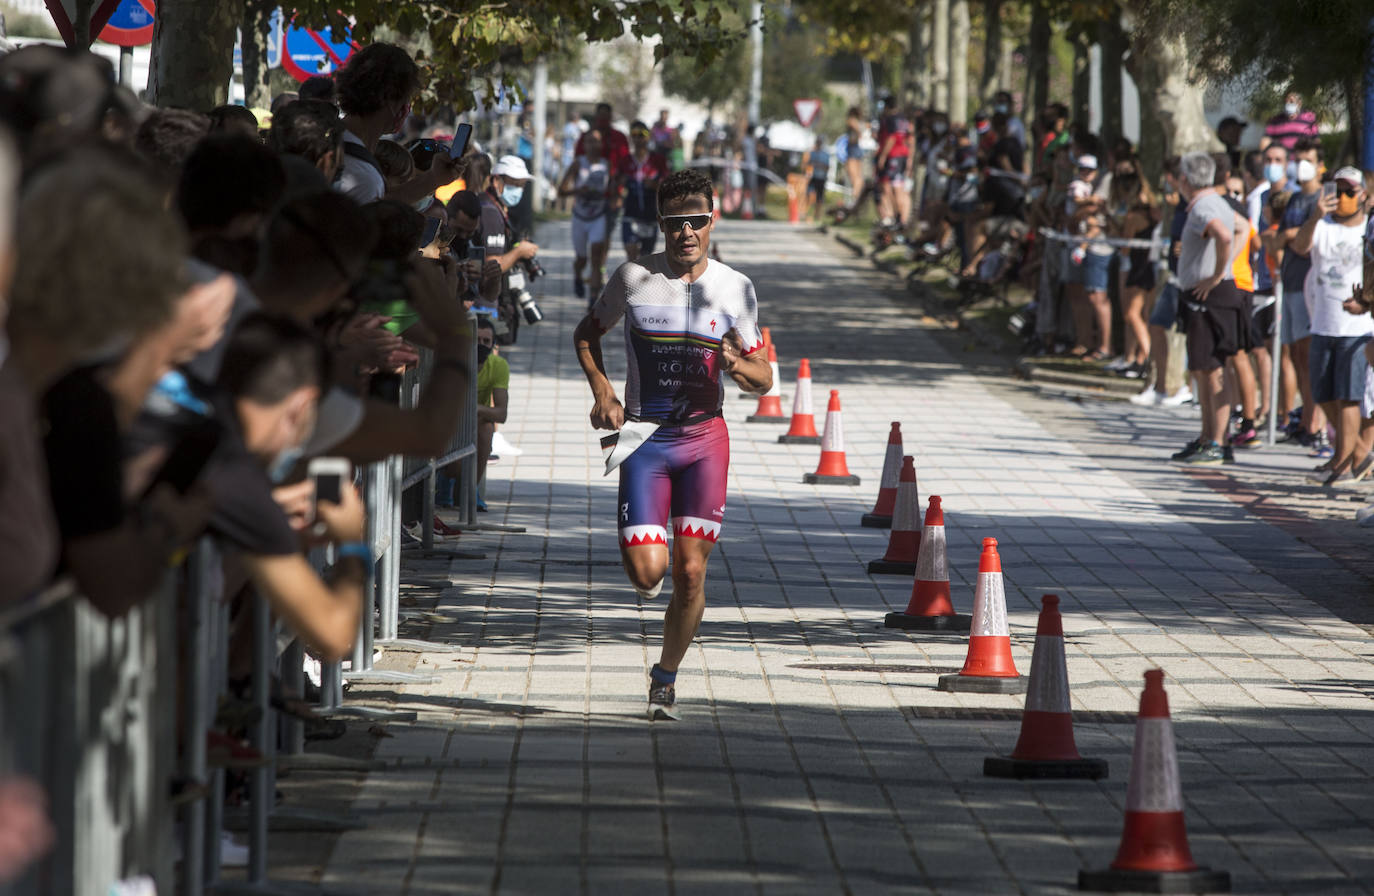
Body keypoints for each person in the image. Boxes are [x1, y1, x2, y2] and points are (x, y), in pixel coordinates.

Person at [571, 168, 772, 721]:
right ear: (660, 224)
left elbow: (765, 377)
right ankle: (662, 599)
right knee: (647, 575)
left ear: (712, 221)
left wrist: (735, 362)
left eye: (697, 222)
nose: (687, 233)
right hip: (644, 438)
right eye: (676, 223)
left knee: (689, 572)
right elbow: (586, 334)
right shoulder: (634, 279)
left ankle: (665, 677)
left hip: (707, 437)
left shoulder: (735, 287)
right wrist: (604, 390)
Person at [1291, 167, 1374, 486]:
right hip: (1323, 322)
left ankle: (1343, 460)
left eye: (1349, 192)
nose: (1342, 198)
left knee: (1349, 396)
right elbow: (1298, 248)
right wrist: (1314, 216)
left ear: (1363, 195)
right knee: (1322, 391)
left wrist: (1366, 302)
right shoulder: (1322, 225)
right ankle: (1355, 454)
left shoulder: (1368, 228)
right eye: (1337, 191)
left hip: (1357, 327)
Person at [1171, 151, 1246, 465]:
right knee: (1202, 369)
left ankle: (1216, 441)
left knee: (1213, 370)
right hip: (1204, 296)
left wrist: (1217, 274)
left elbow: (1226, 234)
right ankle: (1207, 437)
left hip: (1210, 298)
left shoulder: (1204, 206)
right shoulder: (1217, 201)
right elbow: (1243, 228)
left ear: (1184, 180)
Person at [333, 42, 458, 205]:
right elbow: (376, 201)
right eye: (406, 99)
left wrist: (433, 178)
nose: (407, 109)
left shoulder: (335, 141)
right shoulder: (361, 177)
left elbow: (382, 200)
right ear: (390, 100)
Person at [1266, 137, 1328, 451]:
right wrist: (1290, 236)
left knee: (1309, 356)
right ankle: (1302, 421)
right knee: (1297, 357)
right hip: (1288, 283)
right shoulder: (1292, 200)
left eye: (1307, 158)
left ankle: (1315, 425)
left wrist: (1292, 236)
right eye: (1298, 158)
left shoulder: (1323, 199)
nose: (1300, 163)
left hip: (1309, 288)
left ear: (1319, 165)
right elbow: (1277, 242)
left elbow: (1306, 243)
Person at [559, 130, 612, 303]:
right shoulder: (577, 164)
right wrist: (578, 191)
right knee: (582, 258)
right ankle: (577, 275)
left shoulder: (606, 164)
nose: (593, 145)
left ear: (601, 144)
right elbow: (561, 190)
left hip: (598, 216)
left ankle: (593, 298)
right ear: (584, 144)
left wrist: (612, 198)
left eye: (597, 141)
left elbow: (613, 189)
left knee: (596, 258)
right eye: (589, 141)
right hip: (580, 217)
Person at [474, 316, 509, 509]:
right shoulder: (456, 362)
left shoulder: (498, 366)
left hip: (476, 422)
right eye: (476, 340)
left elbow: (501, 414)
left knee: (487, 428)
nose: (481, 345)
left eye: (486, 341)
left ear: (493, 345)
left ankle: (471, 488)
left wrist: (476, 408)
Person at [619, 121, 666, 264]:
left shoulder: (657, 160)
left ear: (649, 136)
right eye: (634, 135)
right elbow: (615, 184)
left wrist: (654, 185)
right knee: (631, 254)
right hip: (630, 214)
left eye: (642, 134)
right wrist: (618, 189)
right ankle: (631, 285)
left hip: (650, 215)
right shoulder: (625, 161)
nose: (638, 138)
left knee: (645, 259)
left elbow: (667, 184)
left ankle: (641, 285)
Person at [804, 137, 830, 224]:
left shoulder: (825, 154)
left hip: (821, 178)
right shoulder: (812, 153)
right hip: (813, 177)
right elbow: (807, 164)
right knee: (808, 194)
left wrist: (817, 165)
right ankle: (807, 212)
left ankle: (817, 214)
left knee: (819, 197)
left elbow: (826, 167)